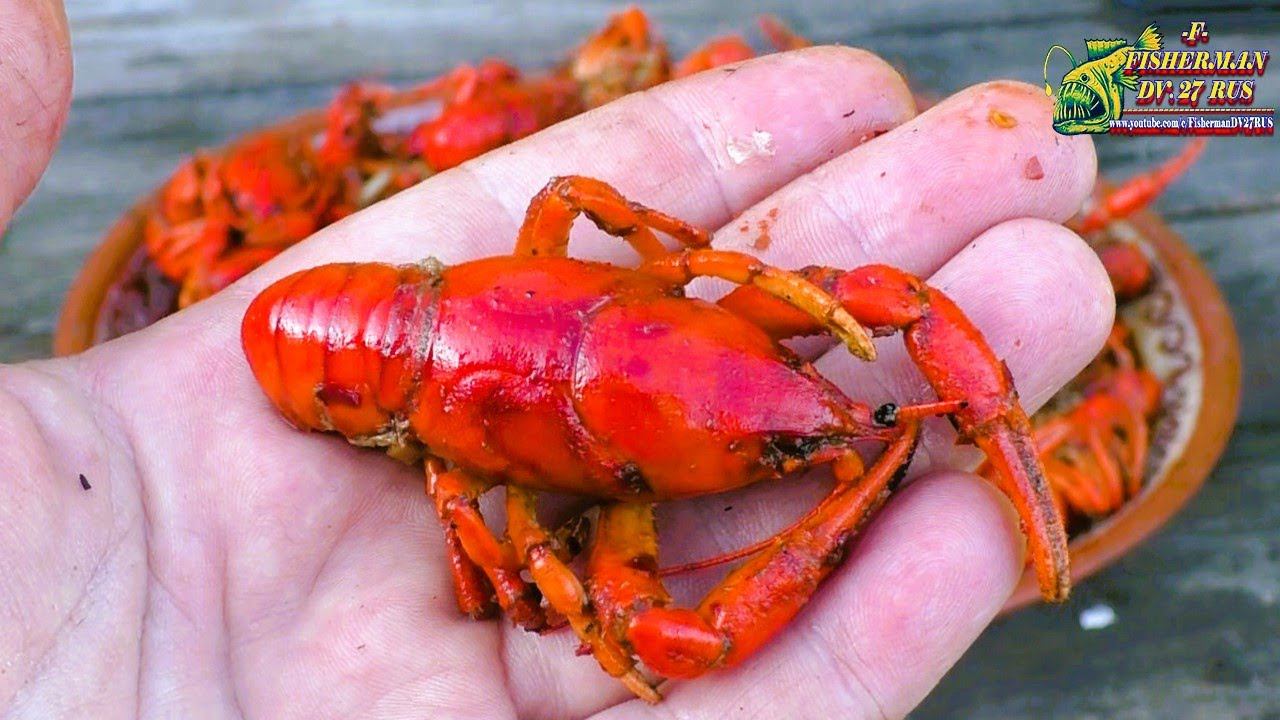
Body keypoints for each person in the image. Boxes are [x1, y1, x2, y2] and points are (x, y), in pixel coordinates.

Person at [0, 2, 1112, 718]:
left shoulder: (700, 306)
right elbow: (683, 635)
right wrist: (532, 572)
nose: (816, 431)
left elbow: (894, 300)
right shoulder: (526, 468)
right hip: (313, 344)